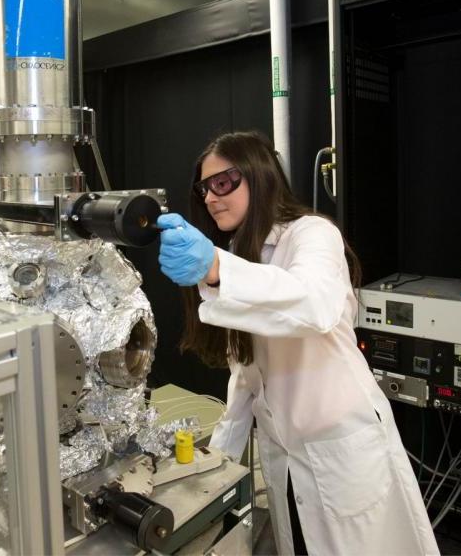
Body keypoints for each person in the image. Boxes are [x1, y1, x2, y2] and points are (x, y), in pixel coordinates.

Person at [157, 131, 439, 555]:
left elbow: (316, 305)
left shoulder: (311, 233)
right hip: (285, 460)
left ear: (260, 175)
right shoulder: (241, 252)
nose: (211, 197)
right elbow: (246, 376)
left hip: (342, 450)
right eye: (204, 188)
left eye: (223, 182)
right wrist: (215, 469)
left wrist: (218, 268)